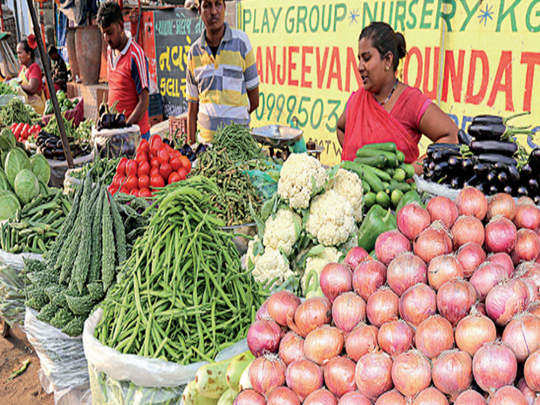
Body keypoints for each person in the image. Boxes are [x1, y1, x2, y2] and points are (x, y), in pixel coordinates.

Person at [337, 22, 458, 168]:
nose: (360, 67)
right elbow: (341, 128)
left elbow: (452, 136)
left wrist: (413, 171)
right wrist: (360, 167)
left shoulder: (411, 101)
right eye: (359, 59)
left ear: (388, 59)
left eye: (367, 58)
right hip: (352, 190)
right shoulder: (357, 99)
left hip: (397, 190)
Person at [186, 0, 260, 144]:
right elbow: (192, 108)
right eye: (207, 5)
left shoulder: (242, 43)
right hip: (206, 148)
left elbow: (254, 100)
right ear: (199, 11)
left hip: (238, 146)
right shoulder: (194, 53)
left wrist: (234, 119)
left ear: (225, 8)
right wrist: (191, 147)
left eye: (218, 4)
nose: (214, 12)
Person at [97, 1, 151, 140]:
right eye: (104, 34)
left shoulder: (135, 55)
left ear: (121, 26)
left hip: (136, 134)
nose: (107, 39)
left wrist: (126, 126)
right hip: (117, 133)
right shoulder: (110, 51)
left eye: (110, 33)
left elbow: (144, 101)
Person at [15, 35, 45, 115]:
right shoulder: (23, 69)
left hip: (37, 110)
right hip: (28, 110)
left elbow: (32, 88)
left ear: (28, 54)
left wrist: (18, 85)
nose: (18, 56)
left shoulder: (34, 68)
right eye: (17, 53)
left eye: (20, 53)